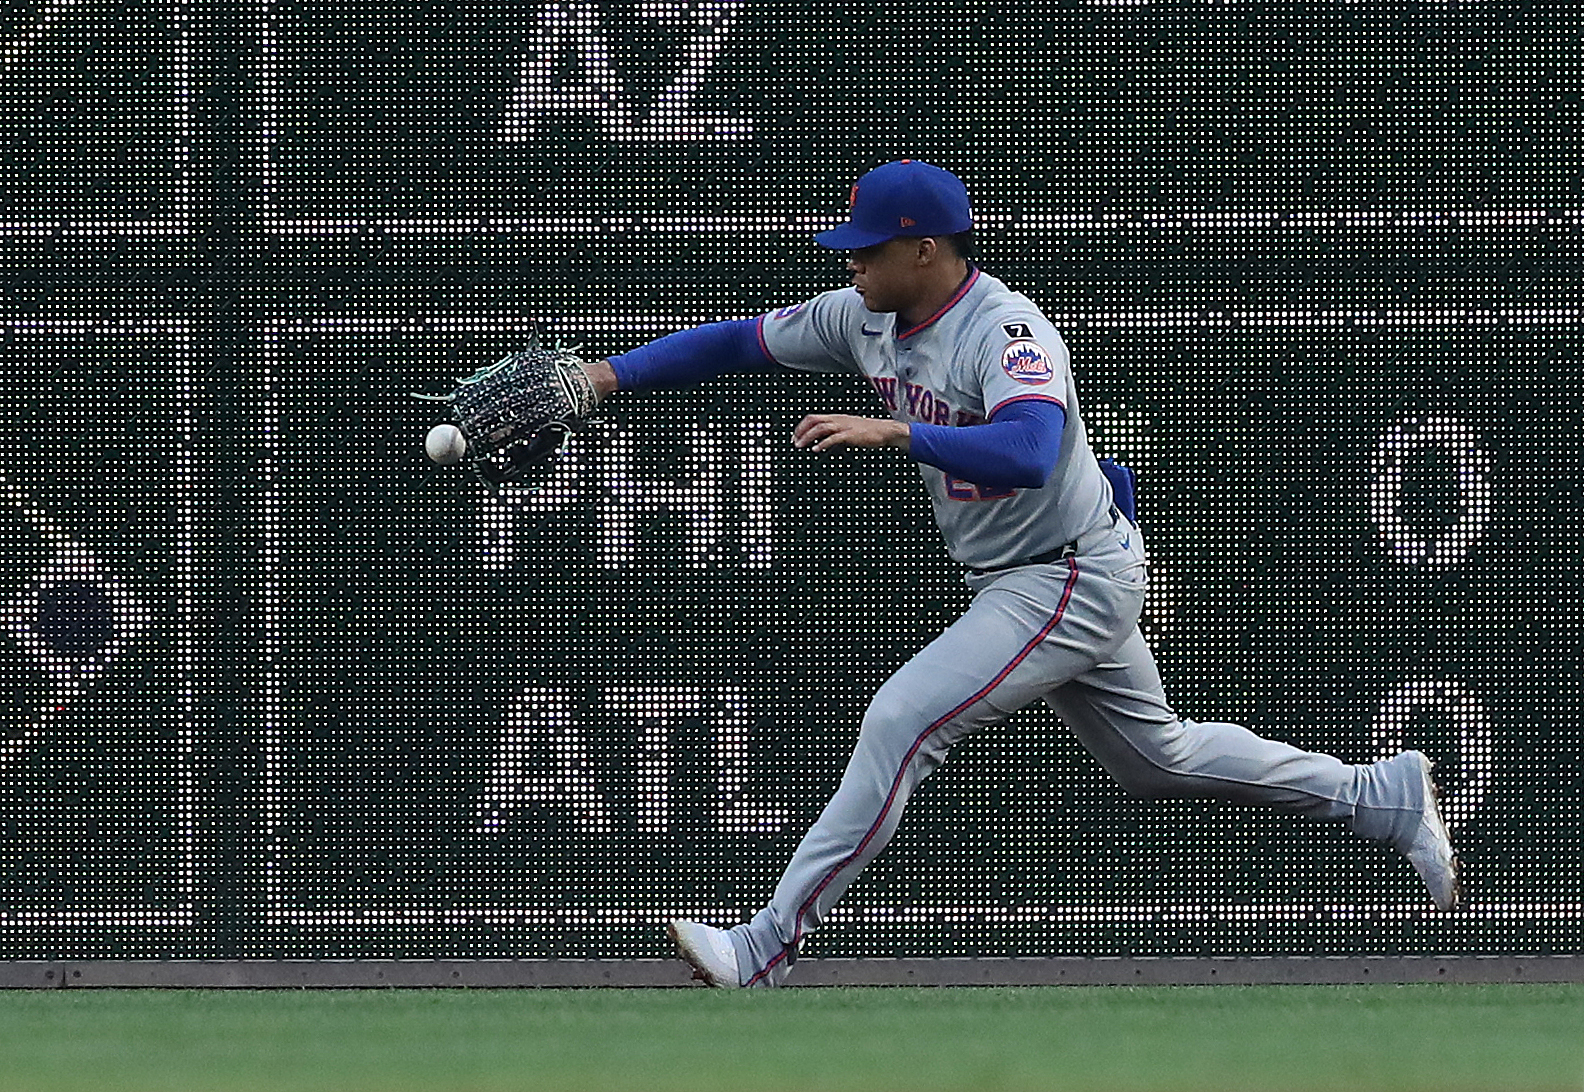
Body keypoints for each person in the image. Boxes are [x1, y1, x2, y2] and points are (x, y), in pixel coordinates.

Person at [580, 160, 1462, 988]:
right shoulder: (866, 317)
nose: (848, 259)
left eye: (866, 246)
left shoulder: (1006, 331)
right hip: (1046, 567)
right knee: (1159, 757)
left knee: (902, 717)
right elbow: (740, 343)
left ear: (925, 249)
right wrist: (606, 375)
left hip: (1064, 573)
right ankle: (1377, 795)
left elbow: (1033, 449)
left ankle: (768, 943)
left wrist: (897, 432)